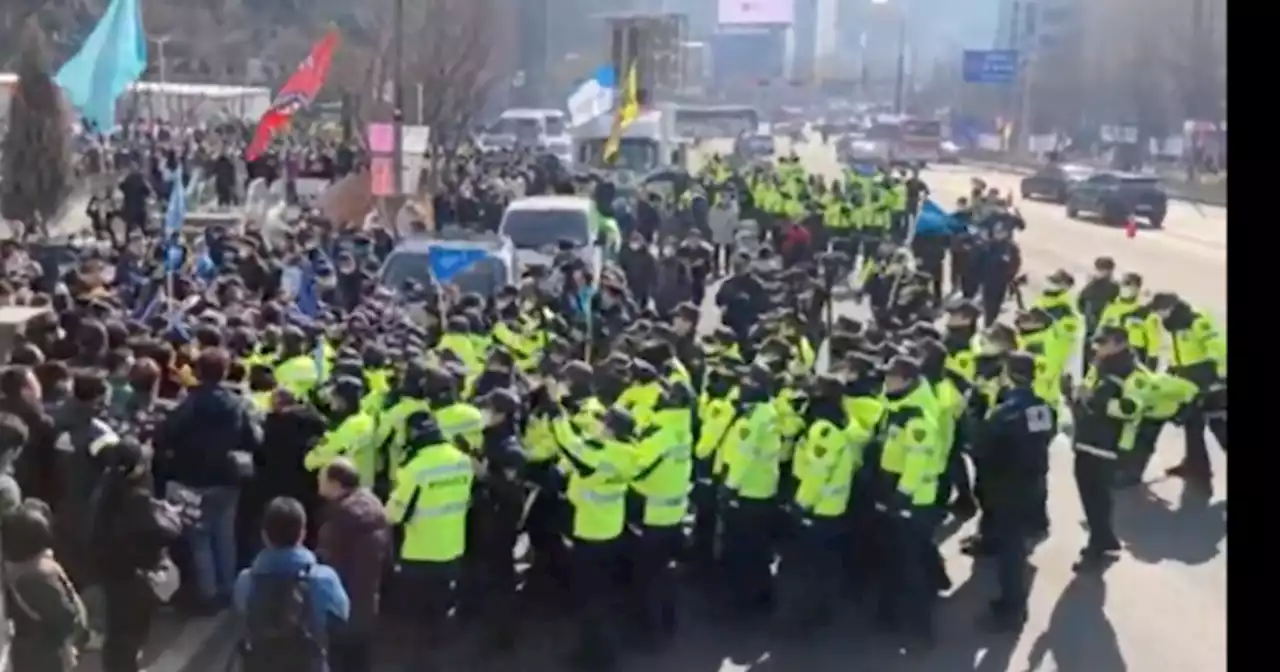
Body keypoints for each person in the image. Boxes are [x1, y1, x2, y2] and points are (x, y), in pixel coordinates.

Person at [159, 348, 264, 611]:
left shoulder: (190, 403)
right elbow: (254, 439)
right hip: (227, 478)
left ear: (198, 372)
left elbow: (165, 434)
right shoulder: (237, 404)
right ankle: (228, 590)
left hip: (192, 478)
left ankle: (208, 593)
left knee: (200, 537)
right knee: (224, 535)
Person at [972, 353, 1053, 630]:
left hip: (1006, 487)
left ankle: (1012, 608)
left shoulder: (1003, 413)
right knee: (1014, 541)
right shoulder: (1041, 406)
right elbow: (1044, 439)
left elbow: (982, 448)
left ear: (1008, 374)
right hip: (1032, 482)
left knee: (1011, 551)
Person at [90, 439, 185, 672]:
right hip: (136, 576)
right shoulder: (136, 500)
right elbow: (167, 531)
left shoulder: (104, 491)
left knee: (116, 633)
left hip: (111, 573)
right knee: (131, 636)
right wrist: (169, 513)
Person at [234, 497, 350, 672]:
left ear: (264, 535)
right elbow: (342, 615)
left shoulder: (246, 579)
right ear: (303, 533)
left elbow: (242, 612)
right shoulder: (324, 578)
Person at [1068, 326, 1146, 572]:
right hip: (1087, 437)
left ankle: (1098, 544)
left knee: (1096, 496)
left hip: (1107, 443)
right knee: (1088, 492)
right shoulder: (1101, 365)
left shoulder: (1133, 373)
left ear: (1120, 343)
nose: (1096, 346)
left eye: (1103, 341)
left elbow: (1131, 410)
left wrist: (1095, 400)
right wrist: (1074, 397)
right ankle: (1105, 537)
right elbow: (1088, 397)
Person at [316, 459, 390, 672]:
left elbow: (327, 561)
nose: (317, 482)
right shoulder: (375, 504)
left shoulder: (339, 517)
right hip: (368, 598)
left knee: (339, 659)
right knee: (361, 657)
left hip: (341, 601)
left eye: (322, 478)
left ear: (335, 484)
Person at [3, 503, 89, 672]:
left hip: (38, 652)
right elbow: (65, 616)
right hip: (44, 652)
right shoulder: (40, 569)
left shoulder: (26, 573)